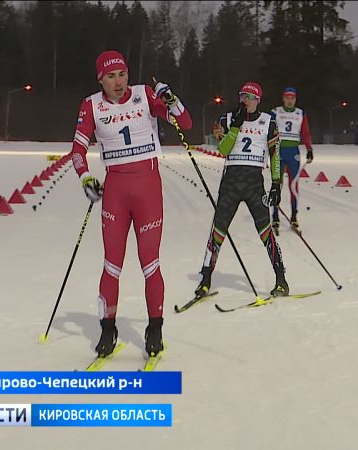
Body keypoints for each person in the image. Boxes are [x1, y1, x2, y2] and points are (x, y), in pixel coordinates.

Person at [69, 50, 193, 358]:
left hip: (148, 190)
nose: (118, 82)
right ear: (100, 79)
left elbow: (186, 123)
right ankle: (108, 329)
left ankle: (155, 329)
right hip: (116, 193)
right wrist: (86, 178)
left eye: (122, 74)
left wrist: (170, 99)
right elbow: (77, 150)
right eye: (110, 76)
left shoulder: (144, 95)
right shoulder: (91, 105)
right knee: (112, 264)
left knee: (150, 263)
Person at [195, 81, 288, 299]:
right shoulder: (226, 120)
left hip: (254, 183)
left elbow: (275, 155)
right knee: (218, 230)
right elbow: (224, 149)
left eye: (250, 97)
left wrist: (276, 183)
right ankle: (206, 278)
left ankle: (281, 278)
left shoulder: (268, 122)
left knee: (265, 231)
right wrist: (235, 127)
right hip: (231, 183)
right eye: (243, 96)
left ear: (258, 101)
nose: (246, 101)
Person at [271, 86, 314, 233]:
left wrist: (309, 149)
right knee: (277, 184)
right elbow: (268, 131)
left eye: (292, 98)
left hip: (293, 152)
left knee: (293, 185)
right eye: (287, 98)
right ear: (283, 98)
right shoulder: (276, 112)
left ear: (295, 99)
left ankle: (294, 216)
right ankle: (275, 215)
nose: (289, 101)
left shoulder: (300, 113)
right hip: (278, 152)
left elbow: (305, 132)